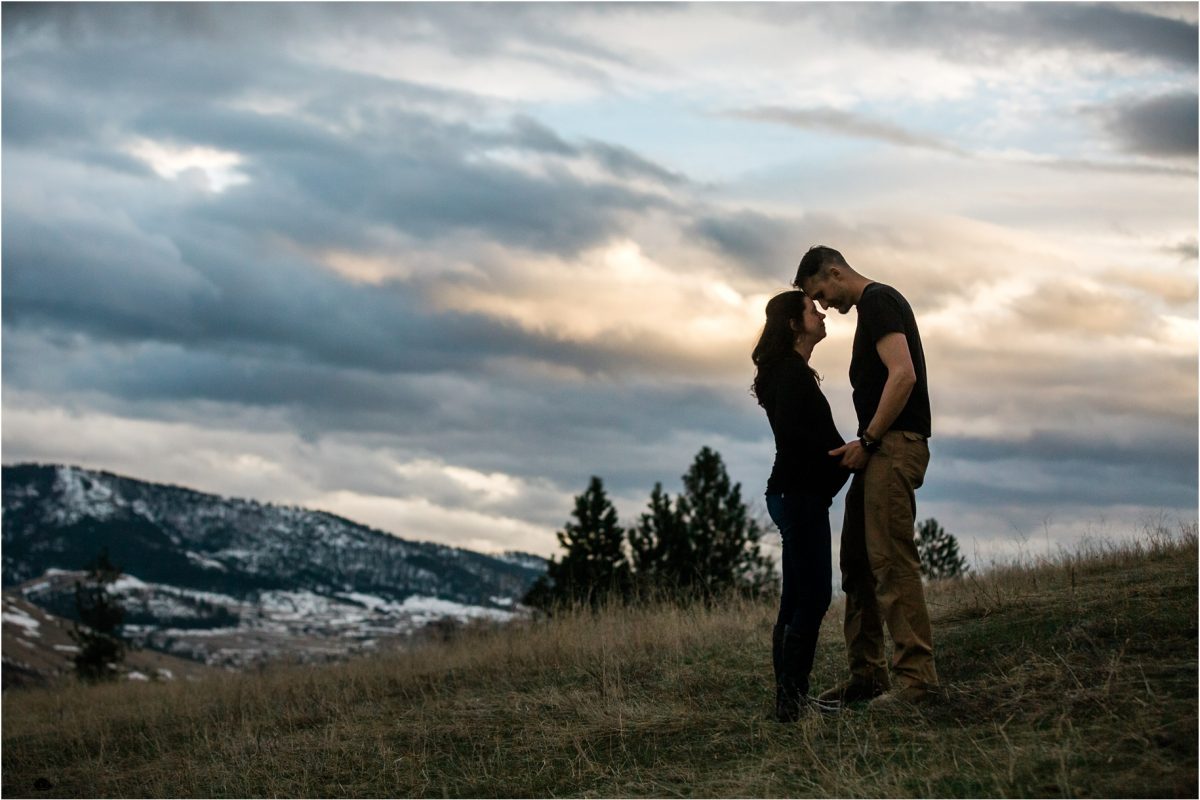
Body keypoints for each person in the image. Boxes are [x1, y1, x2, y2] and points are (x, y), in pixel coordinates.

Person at [792, 245, 940, 707]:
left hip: (893, 446)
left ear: (835, 272)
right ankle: (867, 677)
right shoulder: (870, 310)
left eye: (821, 293)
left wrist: (870, 439)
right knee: (857, 563)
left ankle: (917, 683)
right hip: (878, 450)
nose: (824, 306)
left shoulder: (879, 301)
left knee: (891, 562)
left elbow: (904, 376)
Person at [752, 290, 851, 722]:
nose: (821, 312)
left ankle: (788, 703)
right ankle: (791, 703)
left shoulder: (791, 372)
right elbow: (801, 442)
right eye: (813, 310)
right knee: (812, 596)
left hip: (794, 495)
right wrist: (845, 456)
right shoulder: (790, 376)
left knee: (796, 597)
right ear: (794, 324)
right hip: (798, 496)